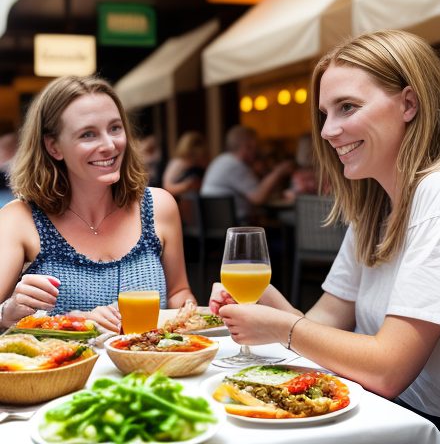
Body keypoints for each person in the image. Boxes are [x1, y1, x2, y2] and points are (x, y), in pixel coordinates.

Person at [209, 30, 440, 442]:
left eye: (347, 107)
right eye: (325, 114)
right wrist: (262, 304)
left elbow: (388, 368)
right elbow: (323, 322)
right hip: (396, 412)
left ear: (409, 103)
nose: (327, 131)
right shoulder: (377, 204)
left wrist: (279, 327)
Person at [0, 75, 196, 333]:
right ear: (54, 147)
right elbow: (4, 313)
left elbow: (179, 292)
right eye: (88, 134)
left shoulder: (159, 206)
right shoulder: (21, 218)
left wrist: (194, 310)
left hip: (149, 369)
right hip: (65, 372)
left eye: (115, 128)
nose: (109, 145)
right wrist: (8, 312)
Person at [201, 125, 293, 224]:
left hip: (217, 224)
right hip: (235, 226)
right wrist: (278, 172)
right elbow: (258, 198)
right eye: (256, 145)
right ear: (247, 146)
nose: (257, 150)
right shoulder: (234, 165)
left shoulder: (222, 159)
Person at [162, 131, 208, 197]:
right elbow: (167, 187)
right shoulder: (177, 163)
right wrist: (187, 185)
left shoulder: (199, 164)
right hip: (180, 201)